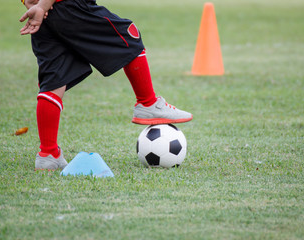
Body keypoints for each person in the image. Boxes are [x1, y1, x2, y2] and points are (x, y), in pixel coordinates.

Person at [19, 0, 193, 170]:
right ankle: (147, 103)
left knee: (53, 81)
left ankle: (48, 155)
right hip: (69, 6)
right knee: (128, 35)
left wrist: (33, 3)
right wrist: (43, 5)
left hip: (41, 13)